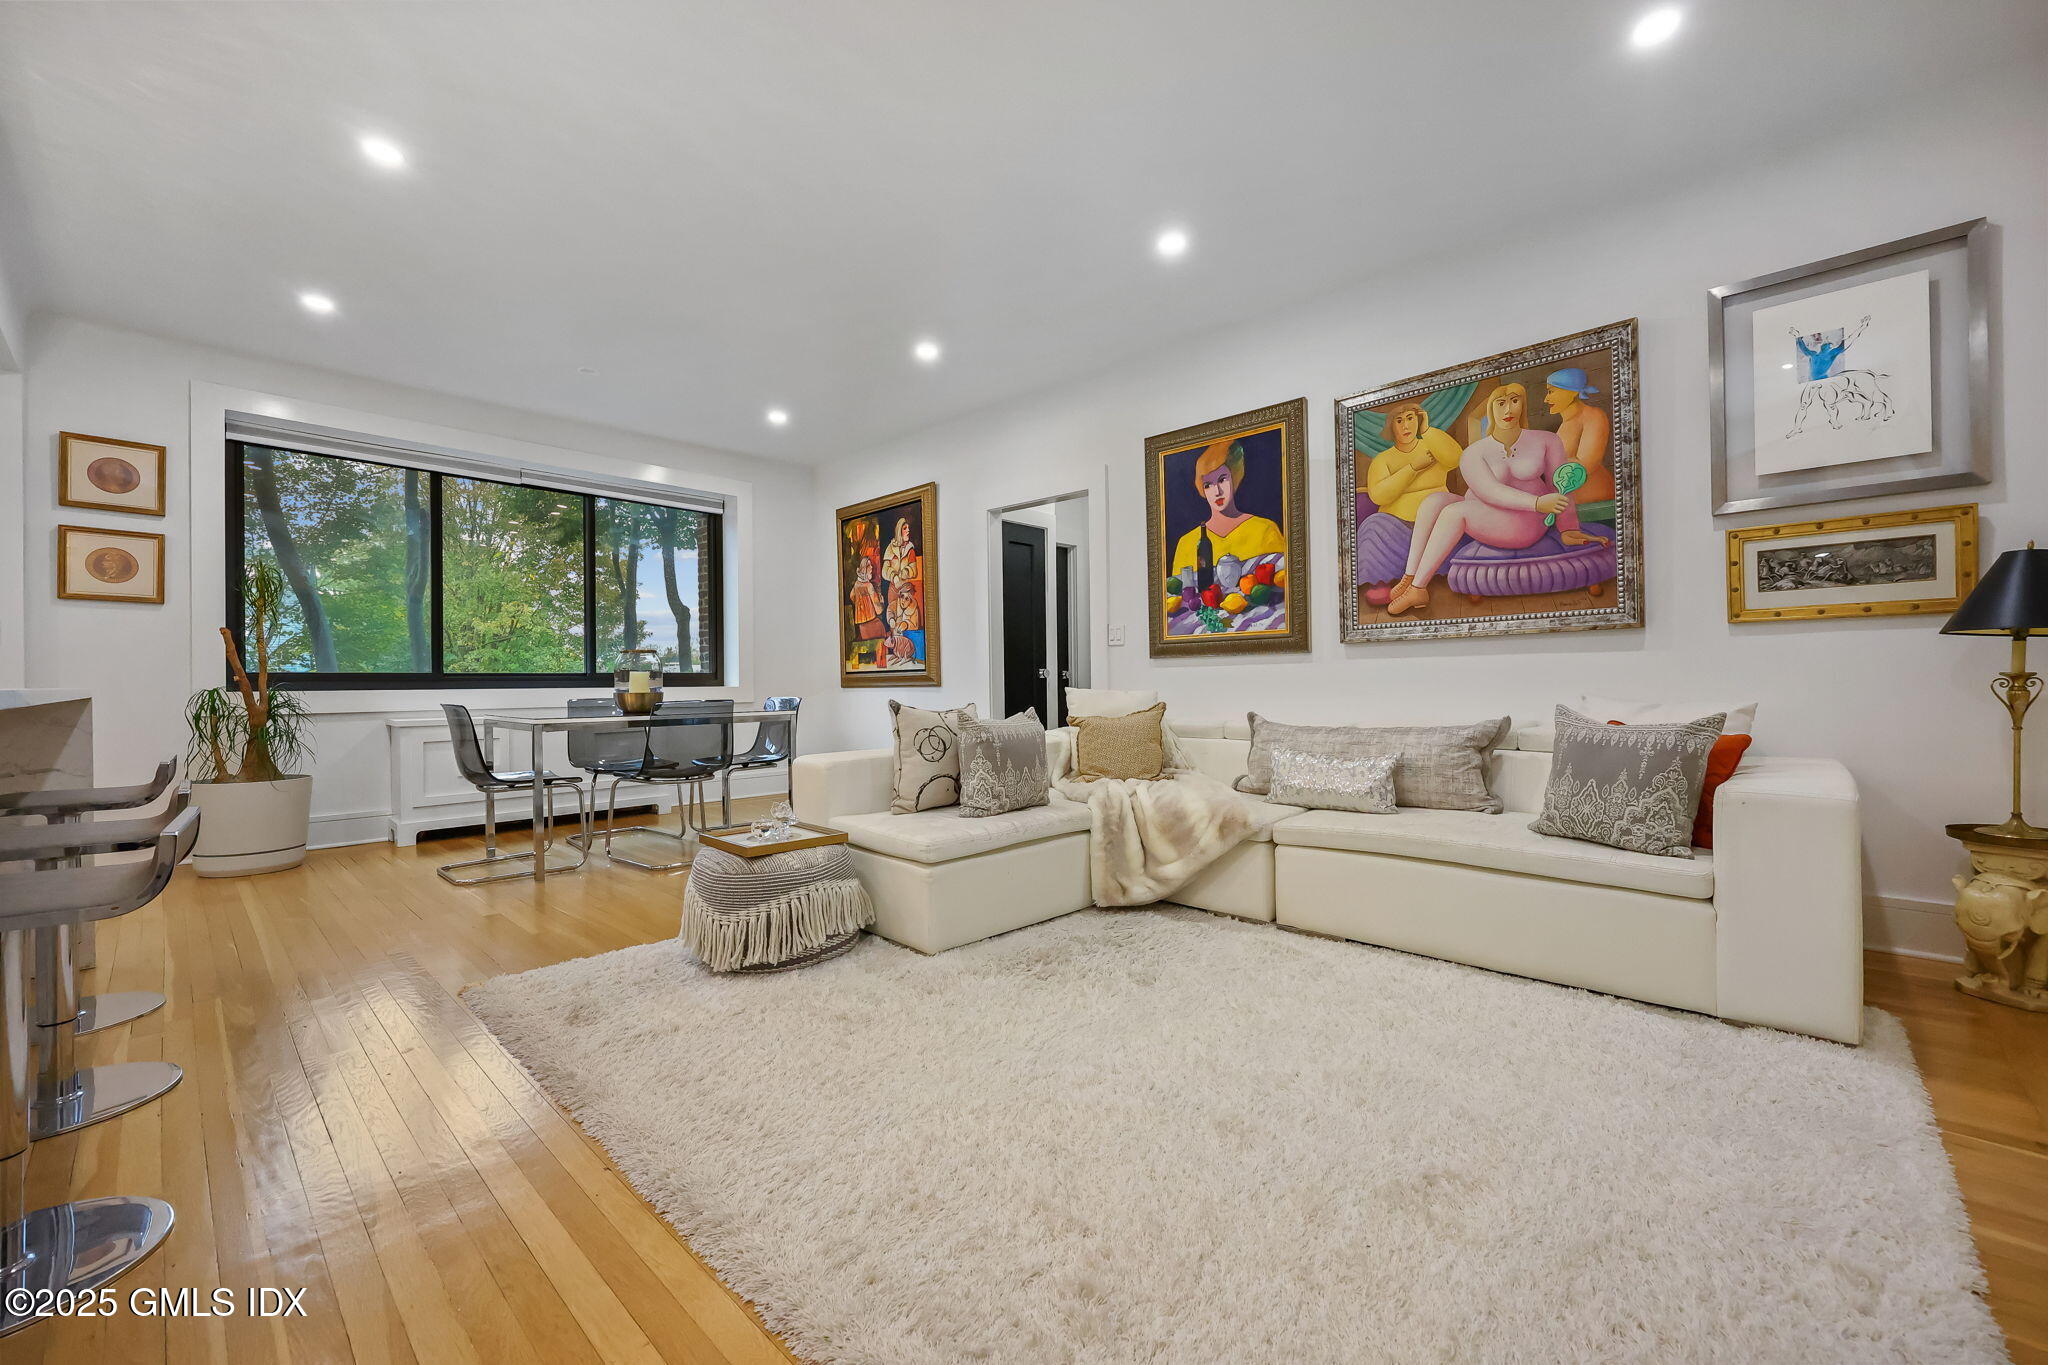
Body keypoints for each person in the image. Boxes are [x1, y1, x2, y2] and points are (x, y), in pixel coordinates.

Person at [1385, 383, 1608, 616]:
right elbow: (1488, 491)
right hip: (1497, 513)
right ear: (1491, 409)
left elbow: (1561, 485)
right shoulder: (1474, 452)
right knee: (1433, 501)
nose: (1507, 409)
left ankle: (1419, 588)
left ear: (1523, 404)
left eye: (1514, 401)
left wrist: (1568, 527)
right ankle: (1409, 576)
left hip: (1528, 522)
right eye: (1500, 403)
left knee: (1453, 513)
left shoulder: (1547, 440)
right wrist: (1536, 501)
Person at [1169, 438, 1286, 605]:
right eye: (1208, 484)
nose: (1216, 491)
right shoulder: (1187, 543)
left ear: (1235, 477)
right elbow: (1177, 599)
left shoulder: (1265, 530)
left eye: (1222, 479)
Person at [1543, 367, 1612, 506]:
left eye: (1551, 391)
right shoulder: (1564, 426)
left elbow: (1586, 464)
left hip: (1598, 503)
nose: (1546, 399)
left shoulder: (1593, 416)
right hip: (1571, 506)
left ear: (1572, 392)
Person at [847, 555, 885, 664]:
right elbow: (879, 610)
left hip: (862, 627)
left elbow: (851, 596)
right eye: (870, 566)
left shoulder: (856, 585)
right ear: (865, 568)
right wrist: (881, 602)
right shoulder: (869, 586)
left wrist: (860, 605)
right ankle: (880, 661)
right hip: (872, 624)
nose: (872, 568)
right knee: (884, 630)